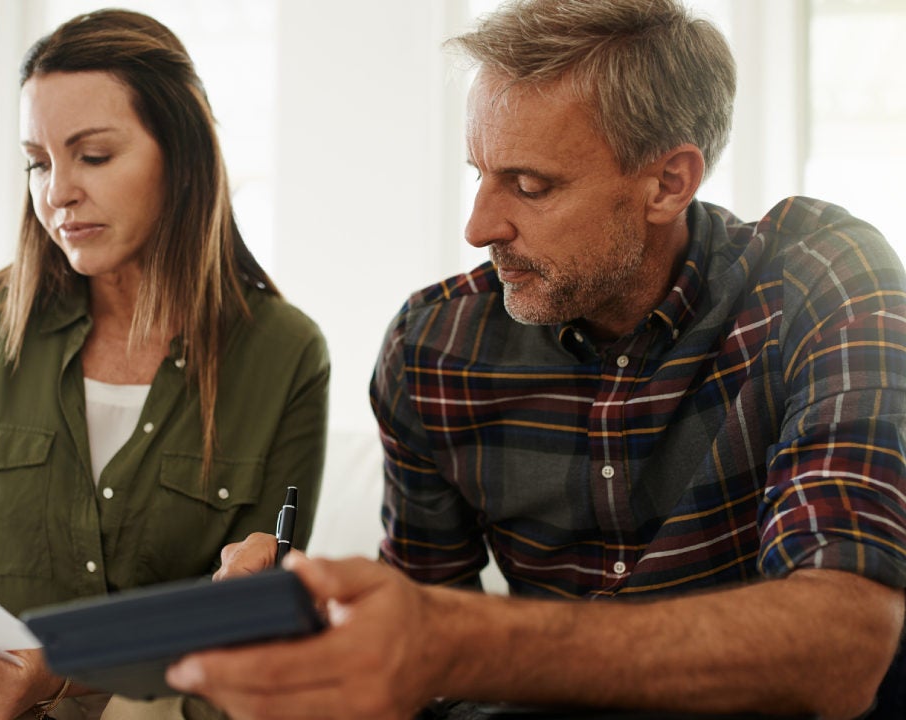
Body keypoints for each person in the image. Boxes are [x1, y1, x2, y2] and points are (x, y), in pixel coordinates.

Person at [161, 1, 906, 719]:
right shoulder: (433, 349)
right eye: (478, 175)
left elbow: (844, 647)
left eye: (529, 185)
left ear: (668, 182)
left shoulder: (819, 280)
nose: (479, 225)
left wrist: (454, 640)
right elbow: (418, 686)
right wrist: (315, 645)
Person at [0, 8, 328, 720]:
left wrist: (62, 673)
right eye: (39, 161)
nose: (57, 192)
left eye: (95, 156)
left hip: (155, 692)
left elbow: (257, 611)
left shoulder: (285, 353)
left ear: (182, 155)